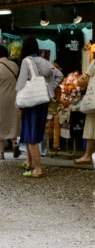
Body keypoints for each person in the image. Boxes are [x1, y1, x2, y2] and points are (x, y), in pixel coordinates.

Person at [16, 37, 63, 178]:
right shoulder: (44, 61)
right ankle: (30, 163)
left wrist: (18, 104)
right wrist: (49, 89)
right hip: (43, 101)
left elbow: (21, 84)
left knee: (30, 136)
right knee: (36, 133)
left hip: (30, 102)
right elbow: (59, 75)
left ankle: (37, 168)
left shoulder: (25, 61)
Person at [0, 44, 21, 160]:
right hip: (14, 97)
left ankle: (1, 152)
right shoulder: (14, 65)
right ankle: (15, 144)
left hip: (1, 98)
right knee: (13, 121)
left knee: (1, 123)